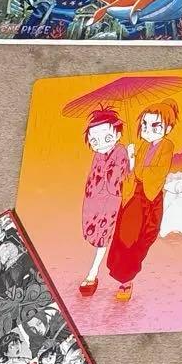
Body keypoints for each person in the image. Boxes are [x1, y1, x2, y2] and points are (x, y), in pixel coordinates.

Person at [105, 100, 178, 301]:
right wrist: (131, 160)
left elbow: (157, 174)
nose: (148, 130)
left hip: (149, 197)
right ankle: (124, 280)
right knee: (126, 237)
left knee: (142, 238)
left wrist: (136, 165)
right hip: (134, 197)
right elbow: (132, 174)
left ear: (168, 129)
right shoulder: (144, 145)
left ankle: (127, 278)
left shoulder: (167, 146)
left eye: (155, 126)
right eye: (144, 125)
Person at [78, 107, 127, 296]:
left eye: (107, 138)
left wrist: (129, 160)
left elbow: (117, 179)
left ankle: (93, 273)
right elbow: (92, 179)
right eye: (94, 141)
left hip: (114, 201)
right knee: (99, 235)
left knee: (107, 238)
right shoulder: (98, 155)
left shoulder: (120, 151)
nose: (100, 144)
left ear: (117, 134)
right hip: (97, 201)